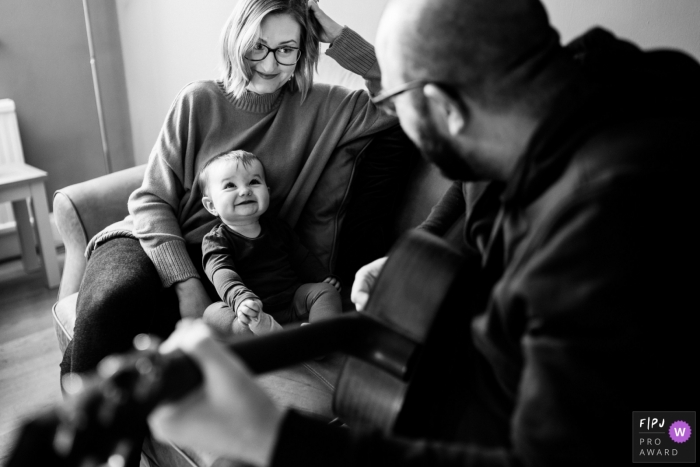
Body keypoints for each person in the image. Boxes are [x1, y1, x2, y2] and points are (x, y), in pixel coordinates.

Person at [147, 0, 700, 465]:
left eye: (395, 102)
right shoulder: (561, 95)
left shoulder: (602, 228)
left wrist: (268, 434)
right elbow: (472, 187)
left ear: (442, 106)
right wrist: (419, 255)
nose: (391, 113)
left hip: (661, 436)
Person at [58, 0, 400, 465]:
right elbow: (150, 199)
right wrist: (185, 281)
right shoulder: (199, 100)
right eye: (258, 47)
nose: (269, 64)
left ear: (303, 53)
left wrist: (338, 35)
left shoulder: (323, 106)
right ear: (237, 40)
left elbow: (400, 94)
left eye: (286, 50)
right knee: (112, 303)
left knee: (147, 365)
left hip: (237, 261)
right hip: (153, 240)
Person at [199, 149, 342, 337]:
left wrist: (321, 276)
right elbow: (221, 273)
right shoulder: (216, 240)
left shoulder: (278, 228)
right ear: (211, 205)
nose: (245, 190)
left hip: (292, 301)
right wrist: (241, 299)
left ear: (267, 192)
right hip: (248, 309)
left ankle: (318, 338)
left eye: (254, 182)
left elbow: (301, 256)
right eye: (230, 186)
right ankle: (265, 332)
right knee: (212, 314)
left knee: (326, 291)